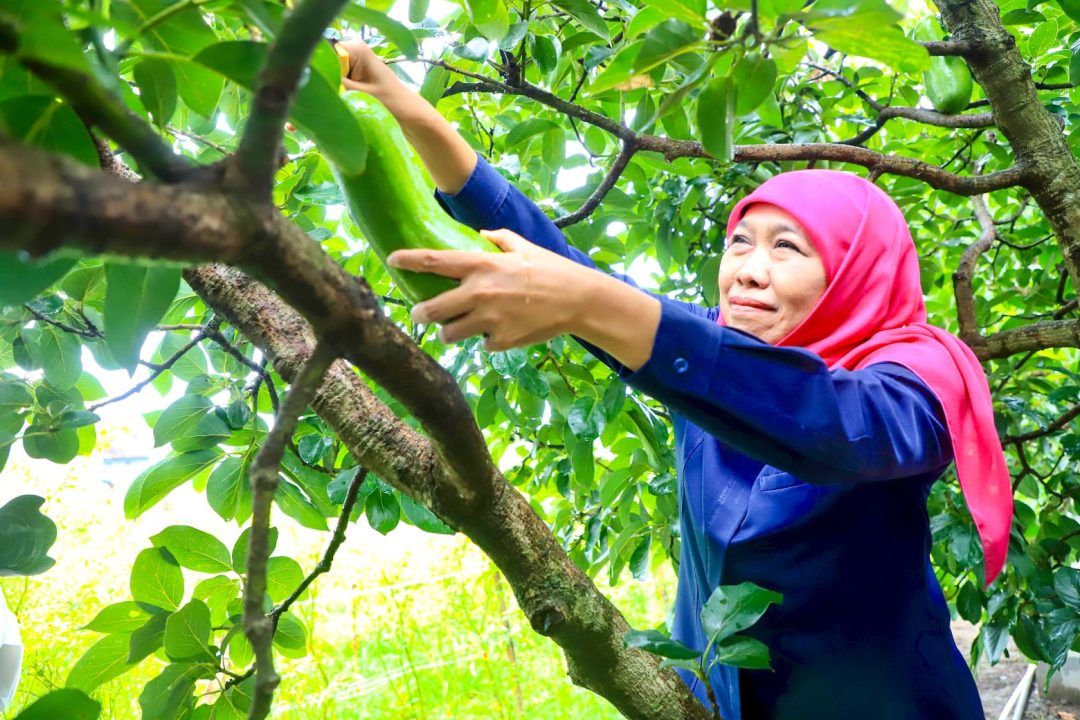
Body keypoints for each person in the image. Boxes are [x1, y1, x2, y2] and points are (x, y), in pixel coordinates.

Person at [338, 39, 1013, 720]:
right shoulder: (698, 345)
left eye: (789, 247)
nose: (748, 269)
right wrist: (404, 106)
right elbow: (546, 250)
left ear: (854, 272)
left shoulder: (919, 378)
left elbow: (838, 428)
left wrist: (590, 303)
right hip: (712, 698)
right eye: (740, 242)